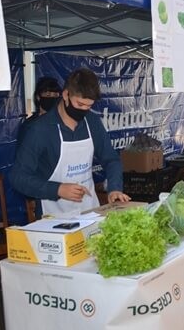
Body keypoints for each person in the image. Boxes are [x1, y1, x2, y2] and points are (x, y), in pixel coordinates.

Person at [10, 68, 130, 219]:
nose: (84, 110)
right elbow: (18, 177)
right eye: (80, 104)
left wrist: (114, 188)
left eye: (89, 106)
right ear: (66, 94)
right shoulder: (39, 129)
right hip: (52, 217)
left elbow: (111, 159)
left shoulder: (92, 122)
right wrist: (57, 189)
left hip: (89, 212)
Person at [17, 76, 62, 145]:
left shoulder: (63, 122)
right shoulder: (29, 125)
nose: (52, 98)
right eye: (48, 95)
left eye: (55, 95)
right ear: (38, 97)